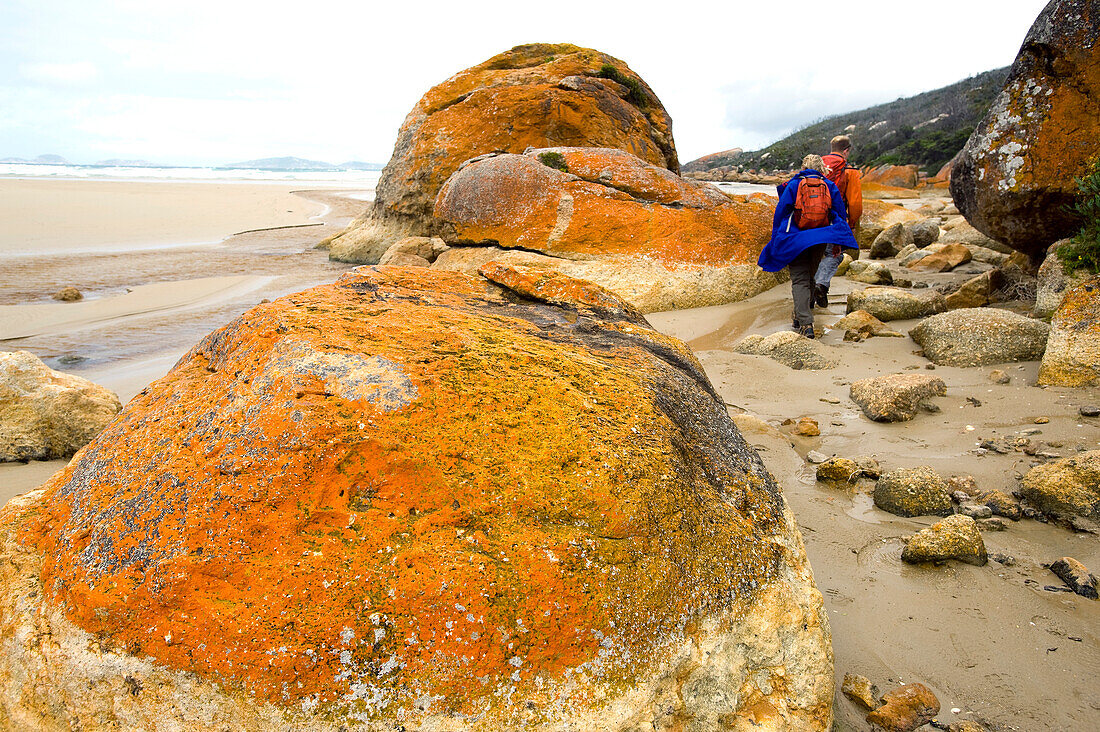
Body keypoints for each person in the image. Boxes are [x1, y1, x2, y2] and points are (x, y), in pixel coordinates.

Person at [757, 154, 857, 338]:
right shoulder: (829, 185)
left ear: (803, 167)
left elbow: (780, 214)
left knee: (800, 279)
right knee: (810, 276)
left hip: (796, 240)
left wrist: (776, 241)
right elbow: (840, 216)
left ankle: (805, 323)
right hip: (820, 238)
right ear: (822, 169)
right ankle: (801, 314)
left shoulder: (793, 185)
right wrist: (838, 243)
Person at [813, 135, 863, 307]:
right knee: (834, 255)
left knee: (813, 256)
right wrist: (852, 225)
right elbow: (855, 202)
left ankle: (807, 301)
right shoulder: (848, 170)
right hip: (833, 220)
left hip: (808, 219)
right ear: (847, 150)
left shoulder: (816, 166)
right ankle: (820, 284)